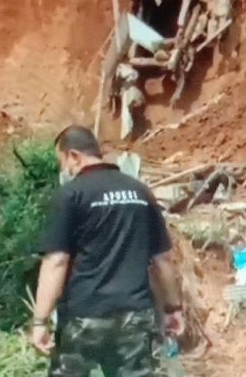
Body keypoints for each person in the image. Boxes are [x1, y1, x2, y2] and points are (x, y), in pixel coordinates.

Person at [31, 125, 184, 377]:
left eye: (63, 163)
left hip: (84, 316)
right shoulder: (140, 192)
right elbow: (163, 259)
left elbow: (56, 261)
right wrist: (173, 309)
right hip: (134, 317)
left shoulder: (70, 195)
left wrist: (40, 321)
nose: (65, 171)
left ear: (74, 156)